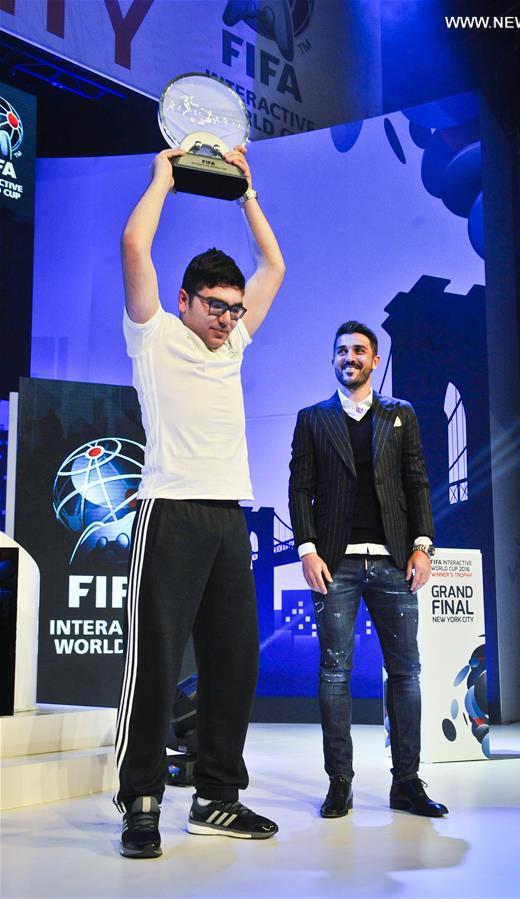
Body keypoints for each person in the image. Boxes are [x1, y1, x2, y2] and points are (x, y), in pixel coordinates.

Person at [115, 145, 285, 857]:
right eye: (215, 305)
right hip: (170, 512)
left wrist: (246, 194)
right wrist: (164, 177)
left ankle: (216, 795)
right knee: (154, 659)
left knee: (233, 661)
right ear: (185, 299)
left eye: (234, 308)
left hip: (225, 518)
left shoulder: (235, 347)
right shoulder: (152, 336)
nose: (226, 318)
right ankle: (142, 803)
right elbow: (133, 241)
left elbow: (273, 267)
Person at [289, 322, 447, 818]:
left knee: (406, 672)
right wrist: (307, 549)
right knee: (334, 673)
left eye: (358, 350)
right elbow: (300, 489)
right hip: (334, 566)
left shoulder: (401, 415)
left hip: (393, 563)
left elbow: (417, 481)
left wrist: (423, 545)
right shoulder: (312, 419)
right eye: (340, 350)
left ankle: (406, 783)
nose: (348, 357)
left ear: (374, 361)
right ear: (332, 359)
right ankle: (340, 785)